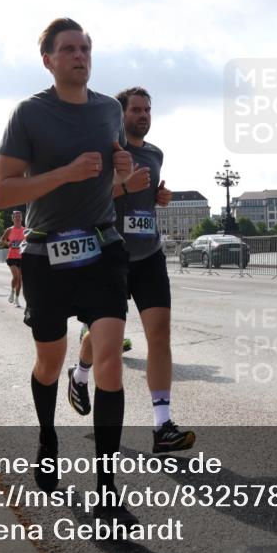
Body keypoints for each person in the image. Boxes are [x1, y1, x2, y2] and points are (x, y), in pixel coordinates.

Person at [0, 17, 135, 522]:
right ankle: (48, 436)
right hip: (44, 254)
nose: (80, 56)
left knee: (111, 363)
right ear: (48, 59)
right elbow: (3, 193)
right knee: (50, 363)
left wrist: (123, 174)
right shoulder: (29, 114)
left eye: (87, 48)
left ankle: (107, 485)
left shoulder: (108, 110)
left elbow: (114, 178)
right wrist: (64, 174)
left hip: (102, 248)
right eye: (69, 49)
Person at [69, 87, 194, 454]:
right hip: (112, 254)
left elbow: (147, 195)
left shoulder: (155, 153)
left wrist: (159, 197)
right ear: (121, 114)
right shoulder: (107, 151)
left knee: (160, 334)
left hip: (149, 253)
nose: (143, 115)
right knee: (105, 336)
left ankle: (162, 425)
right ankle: (80, 373)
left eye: (148, 109)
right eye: (136, 109)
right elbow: (86, 198)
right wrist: (124, 187)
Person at [0, 211, 26, 307]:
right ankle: (11, 291)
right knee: (16, 277)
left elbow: (28, 242)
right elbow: (1, 241)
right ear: (13, 219)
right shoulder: (9, 230)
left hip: (22, 257)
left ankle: (17, 298)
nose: (18, 218)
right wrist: (8, 243)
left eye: (19, 216)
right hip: (12, 257)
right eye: (16, 217)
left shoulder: (25, 230)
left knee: (20, 280)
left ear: (22, 218)